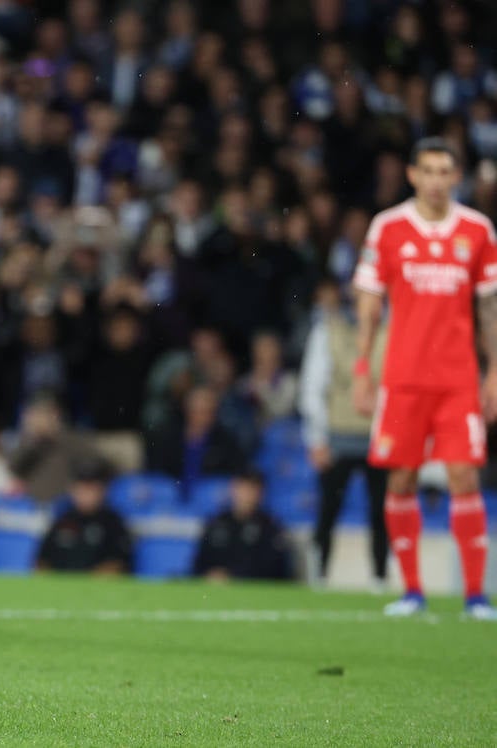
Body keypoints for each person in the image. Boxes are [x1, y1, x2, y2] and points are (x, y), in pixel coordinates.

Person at [353, 137, 497, 620]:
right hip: (403, 376)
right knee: (403, 476)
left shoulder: (477, 230)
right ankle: (413, 591)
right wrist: (361, 370)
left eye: (445, 171)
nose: (436, 180)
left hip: (457, 378)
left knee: (463, 474)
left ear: (456, 178)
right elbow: (370, 304)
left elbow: (489, 307)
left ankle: (475, 596)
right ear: (412, 175)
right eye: (428, 170)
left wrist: (494, 371)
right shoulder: (388, 227)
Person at [298, 279, 388, 589]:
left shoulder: (393, 328)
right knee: (328, 509)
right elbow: (313, 385)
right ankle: (319, 575)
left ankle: (380, 577)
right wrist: (316, 438)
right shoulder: (328, 330)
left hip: (379, 437)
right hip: (337, 434)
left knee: (381, 511)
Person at [192, 468, 293, 581]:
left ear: (261, 493)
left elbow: (274, 570)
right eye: (242, 487)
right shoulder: (216, 522)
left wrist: (232, 576)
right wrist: (209, 574)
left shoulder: (271, 527)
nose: (246, 494)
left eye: (252, 489)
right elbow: (198, 563)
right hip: (216, 588)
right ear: (233, 488)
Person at [36, 459, 133, 574]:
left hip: (96, 589)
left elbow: (117, 565)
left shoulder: (113, 523)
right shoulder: (63, 519)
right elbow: (42, 562)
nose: (84, 494)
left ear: (103, 490)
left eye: (91, 488)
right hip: (59, 587)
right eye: (80, 487)